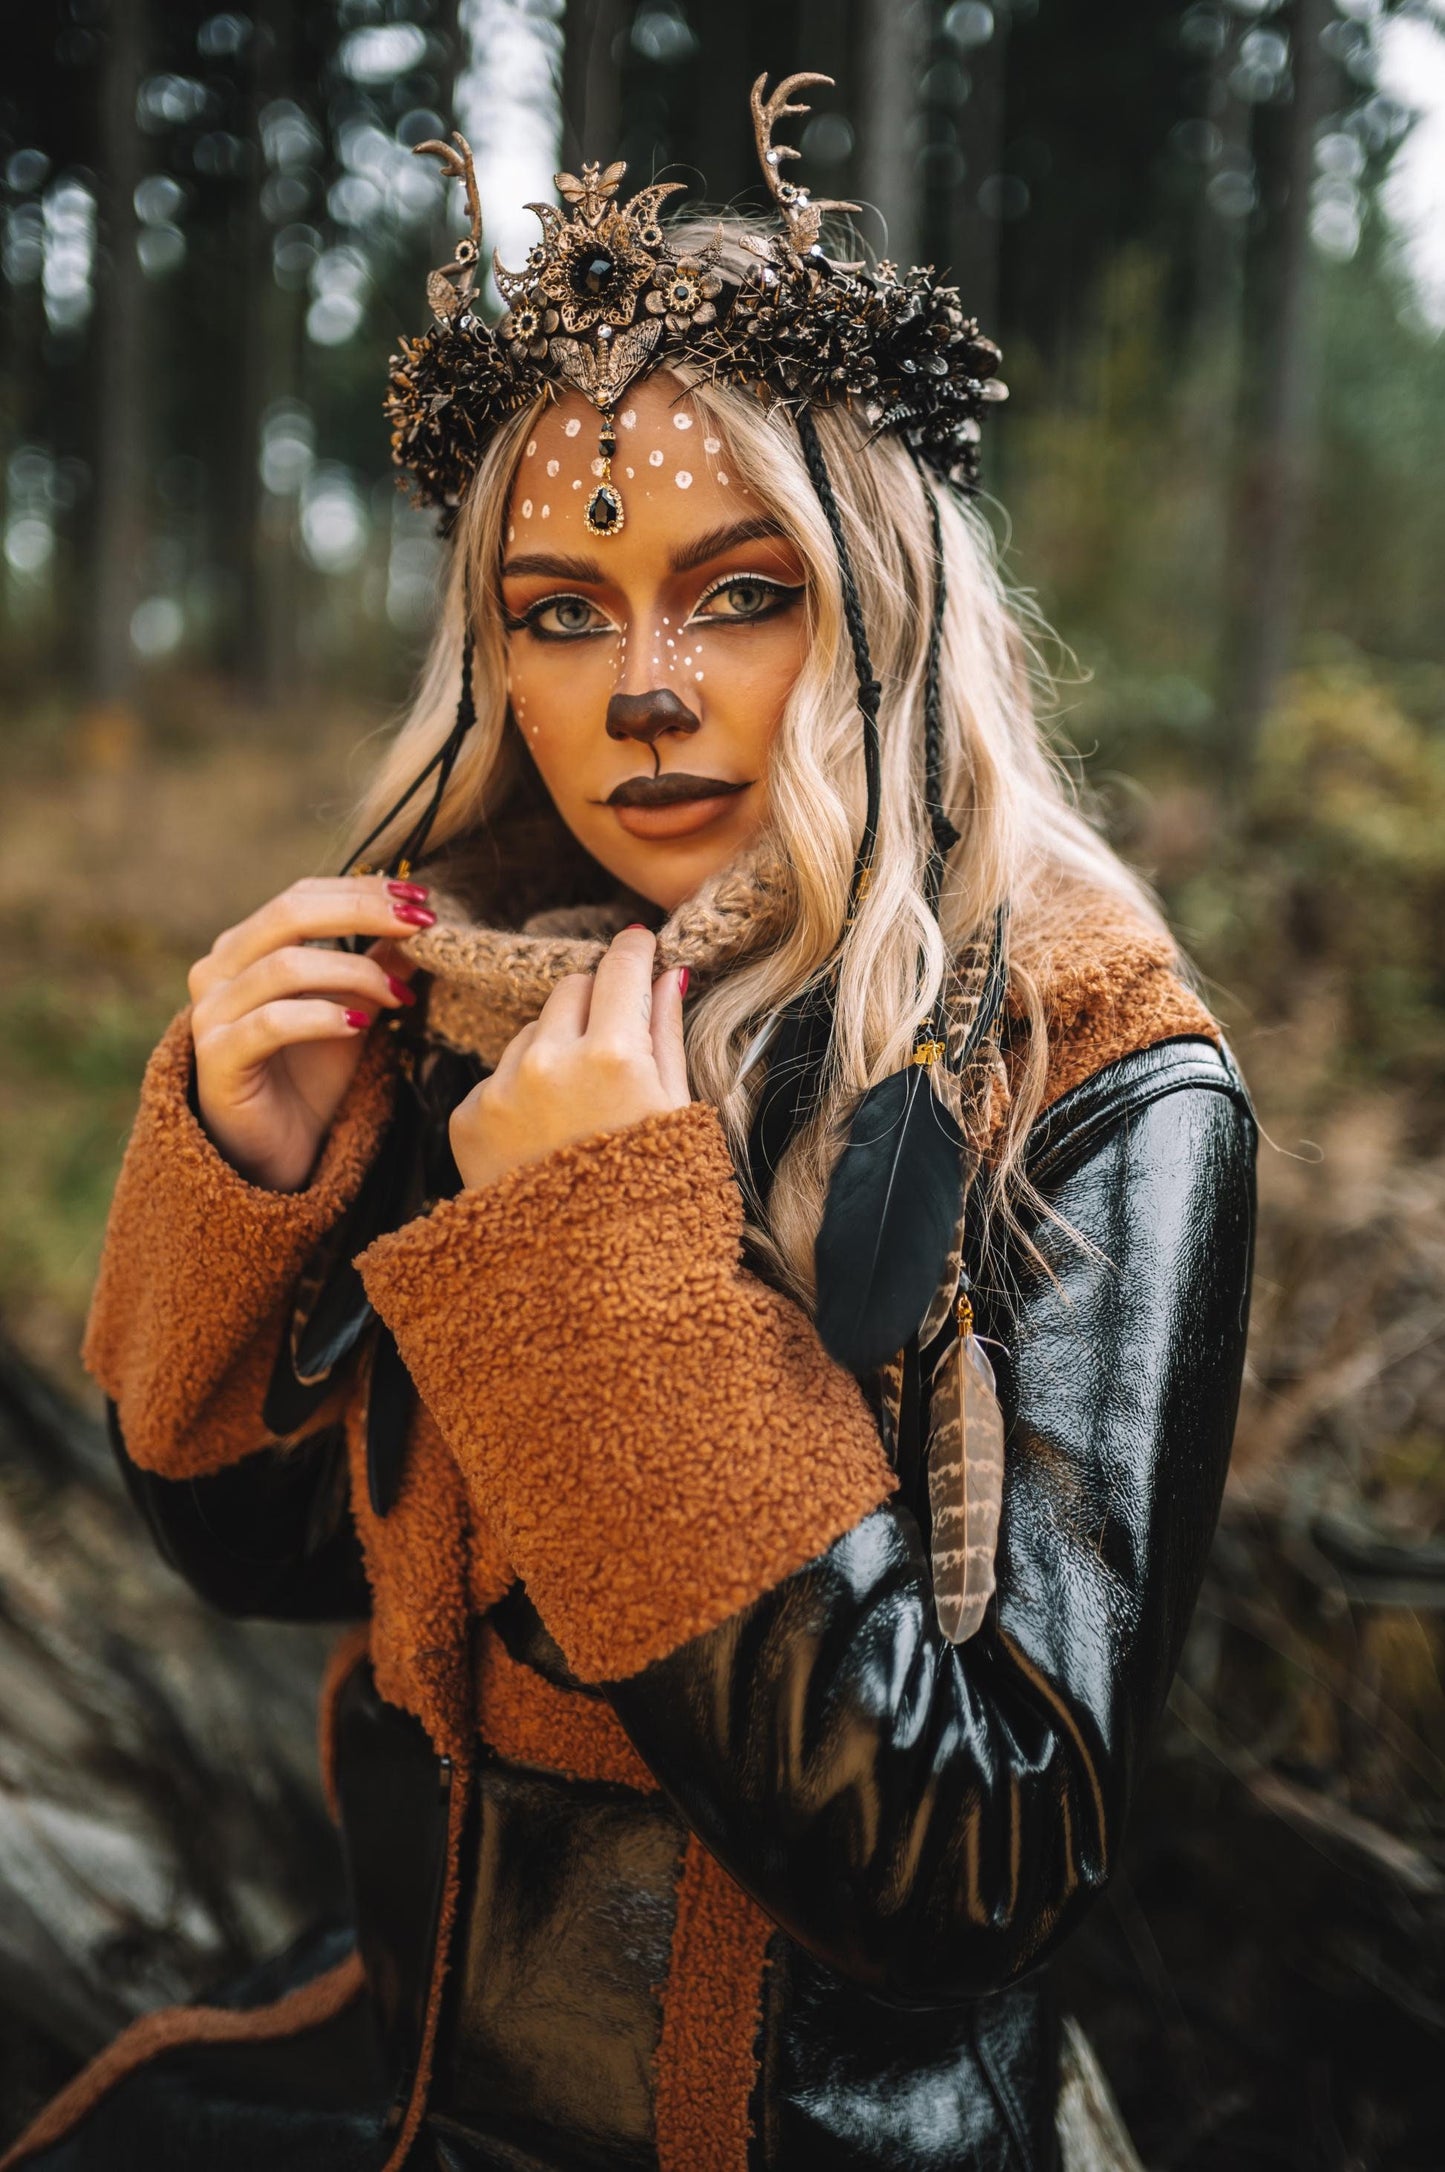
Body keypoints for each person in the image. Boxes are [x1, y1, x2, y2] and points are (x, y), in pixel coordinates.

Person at [2, 76, 1257, 2172]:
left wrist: (606, 1244)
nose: (643, 689)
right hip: (411, 2091)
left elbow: (969, 1861)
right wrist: (264, 1172)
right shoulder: (482, 997)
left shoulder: (1088, 1063)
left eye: (738, 592)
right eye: (562, 614)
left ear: (879, 609)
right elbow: (269, 1557)